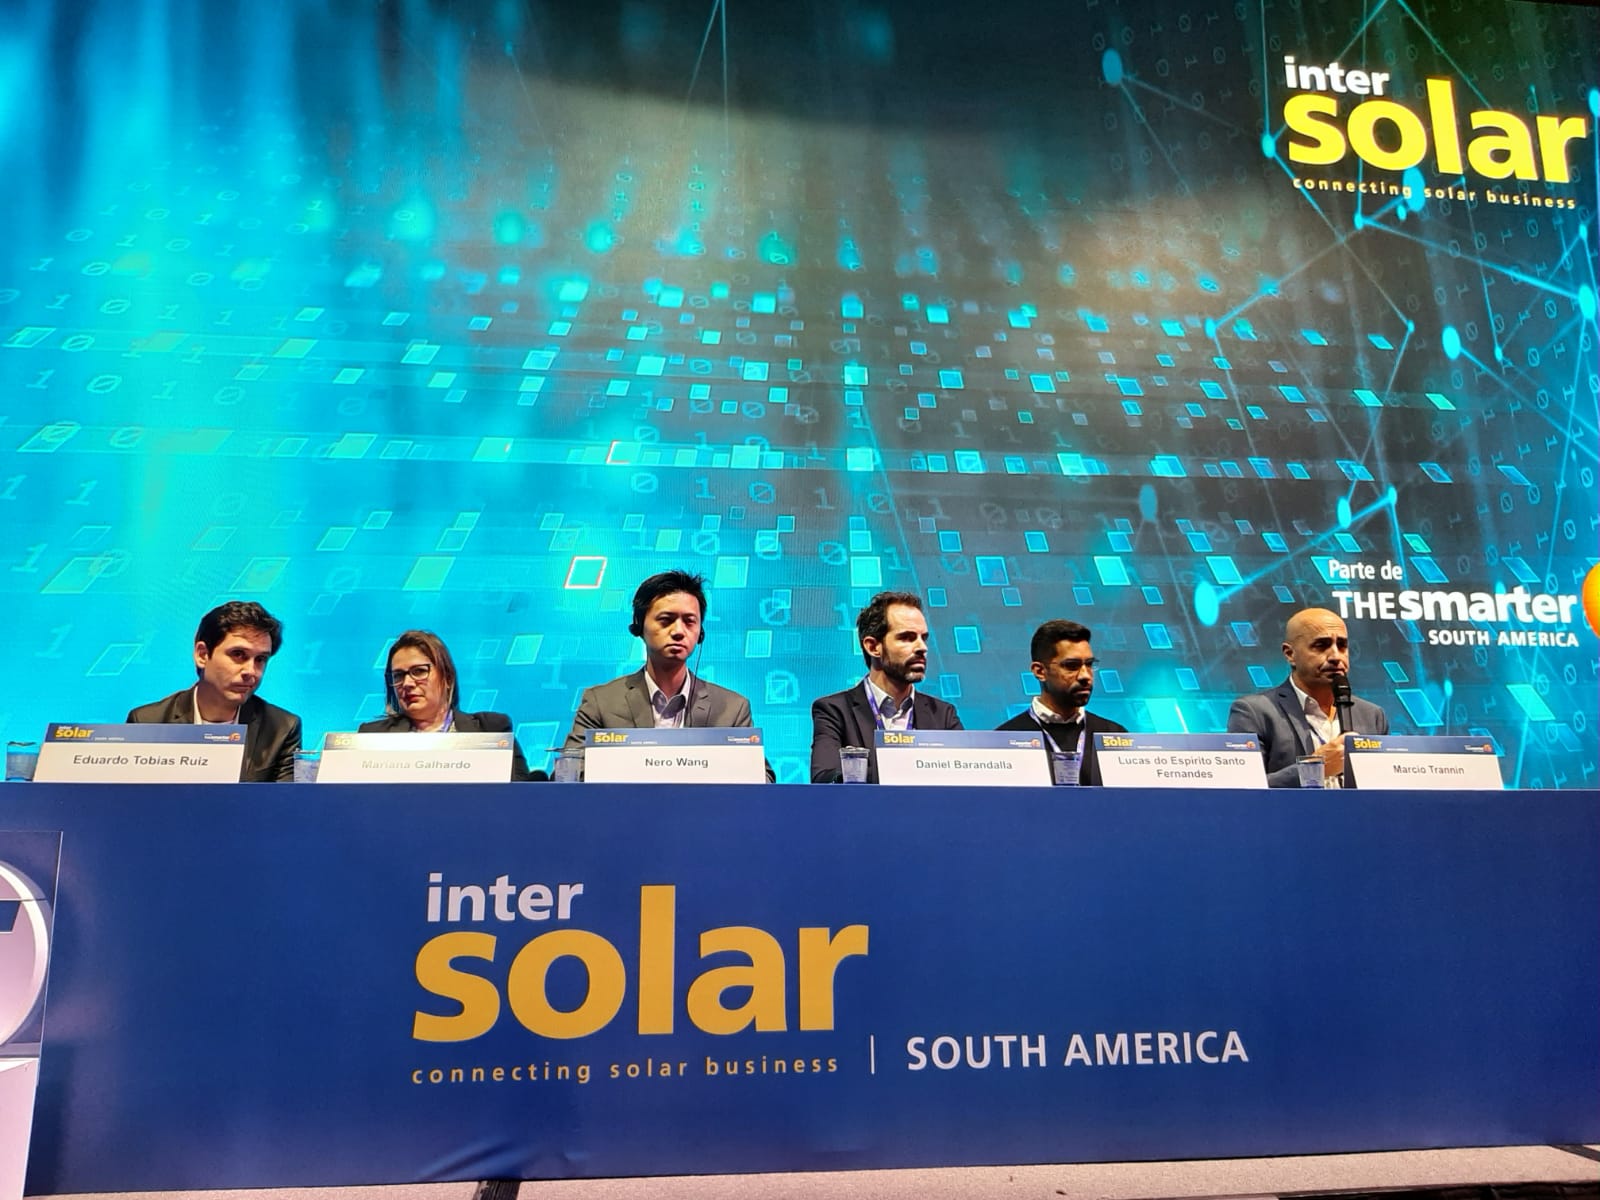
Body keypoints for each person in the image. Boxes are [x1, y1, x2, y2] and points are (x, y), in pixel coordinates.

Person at [563, 571, 770, 778]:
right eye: (666, 620)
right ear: (639, 626)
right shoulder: (601, 703)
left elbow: (763, 781)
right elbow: (569, 774)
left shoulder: (732, 709)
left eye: (689, 621)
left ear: (701, 633)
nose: (678, 631)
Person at [127, 600, 301, 783]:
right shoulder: (147, 722)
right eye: (238, 654)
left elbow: (284, 800)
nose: (251, 671)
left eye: (260, 659)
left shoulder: (282, 728)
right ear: (202, 655)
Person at [810, 591, 963, 783]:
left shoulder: (943, 715)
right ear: (873, 647)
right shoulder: (835, 711)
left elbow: (967, 778)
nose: (922, 647)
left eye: (923, 638)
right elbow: (824, 779)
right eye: (907, 637)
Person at [1227, 607, 1390, 787]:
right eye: (1321, 646)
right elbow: (1243, 788)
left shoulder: (1372, 716)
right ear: (1290, 654)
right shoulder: (1254, 712)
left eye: (1342, 645)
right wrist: (1315, 768)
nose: (1336, 656)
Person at [359, 630, 537, 781]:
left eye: (419, 671)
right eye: (398, 676)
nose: (407, 683)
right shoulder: (372, 738)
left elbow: (521, 799)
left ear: (447, 678)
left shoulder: (491, 729)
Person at [996, 619, 1127, 786]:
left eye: (1089, 664)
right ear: (1040, 671)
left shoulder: (1114, 735)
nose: (1085, 676)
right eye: (1071, 666)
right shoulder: (1004, 740)